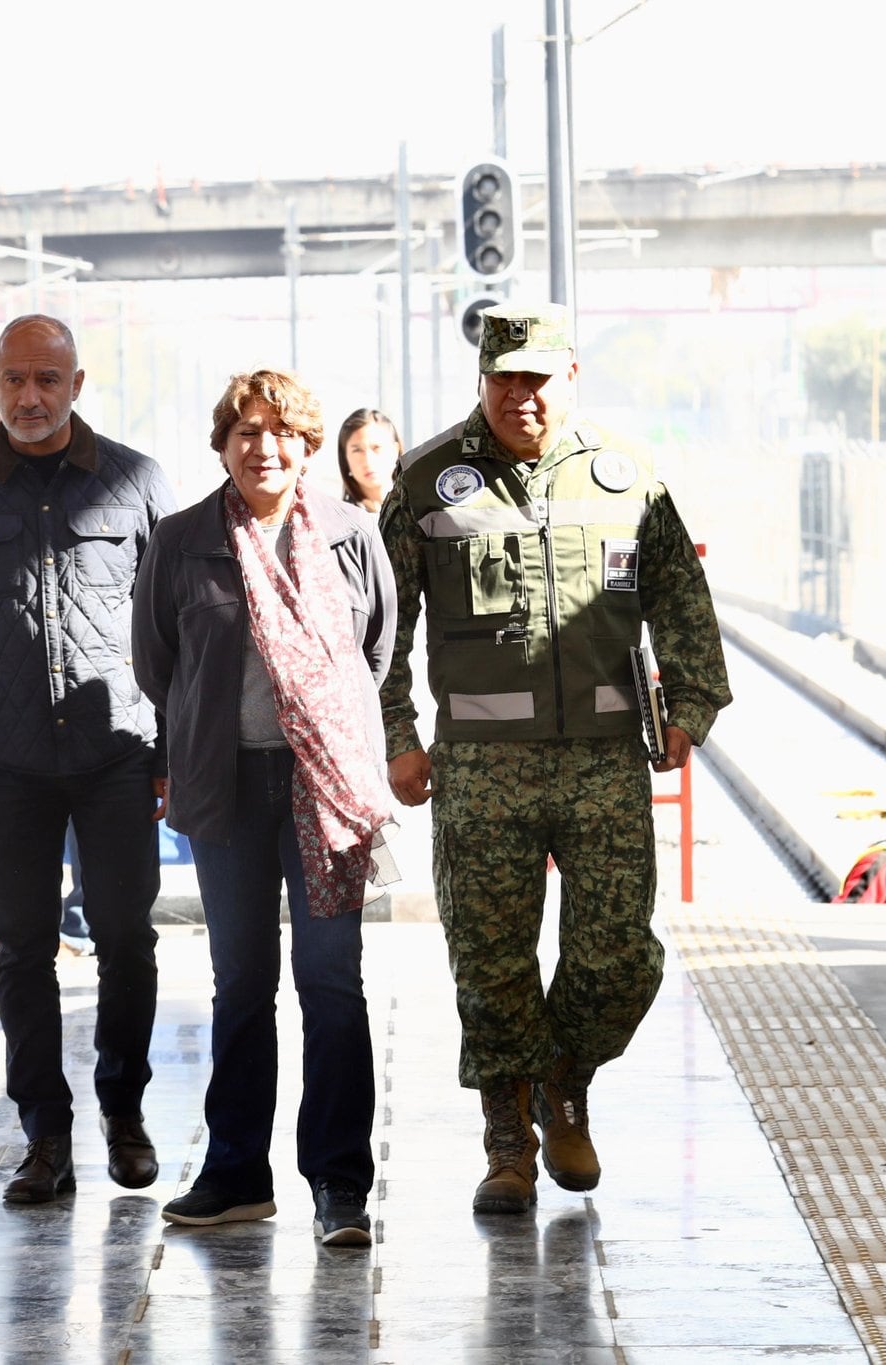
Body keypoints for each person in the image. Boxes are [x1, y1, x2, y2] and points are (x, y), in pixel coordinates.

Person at [379, 303, 732, 1214]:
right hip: (481, 771)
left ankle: (564, 1080)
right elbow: (380, 630)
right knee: (491, 959)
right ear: (483, 381)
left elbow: (680, 599)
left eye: (537, 378)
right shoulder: (425, 483)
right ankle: (509, 1145)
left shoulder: (627, 479)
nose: (521, 396)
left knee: (619, 953)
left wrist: (689, 704)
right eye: (505, 378)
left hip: (604, 763)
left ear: (568, 375)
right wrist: (400, 737)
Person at [0, 314, 177, 1204]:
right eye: (14, 380)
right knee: (23, 950)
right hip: (10, 766)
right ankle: (45, 1136)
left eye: (48, 381)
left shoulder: (135, 481)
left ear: (76, 383)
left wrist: (171, 755)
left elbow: (171, 630)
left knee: (127, 940)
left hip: (117, 757)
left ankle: (125, 1109)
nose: (30, 398)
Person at [133, 370, 395, 1246]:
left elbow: (377, 650)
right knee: (241, 982)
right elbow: (156, 663)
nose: (263, 447)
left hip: (323, 789)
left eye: (281, 432)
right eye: (245, 431)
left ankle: (339, 1184)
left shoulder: (353, 536)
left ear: (307, 446)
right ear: (223, 445)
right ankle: (238, 1171)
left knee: (331, 982)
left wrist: (323, 733)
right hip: (227, 784)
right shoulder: (181, 541)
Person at [336, 407, 400, 515]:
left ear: (395, 451)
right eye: (357, 450)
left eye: (376, 448)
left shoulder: (420, 508)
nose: (368, 461)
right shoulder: (340, 522)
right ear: (345, 459)